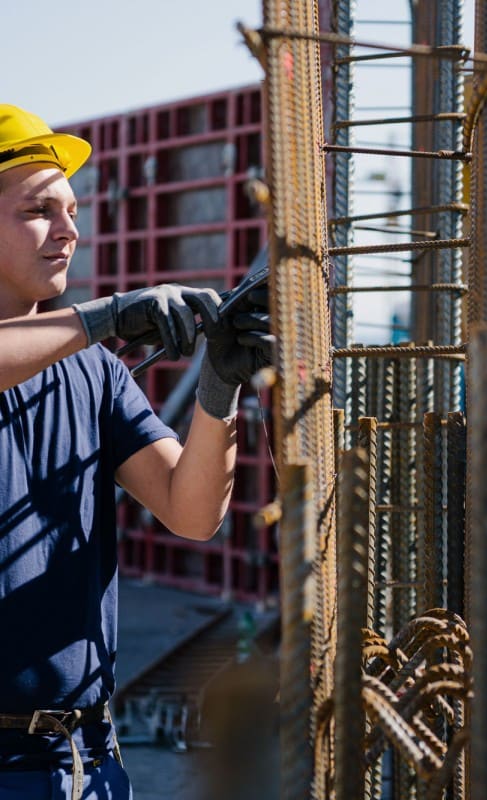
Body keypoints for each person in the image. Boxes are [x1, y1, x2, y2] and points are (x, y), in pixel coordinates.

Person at [0, 104, 273, 800]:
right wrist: (109, 316)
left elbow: (191, 512)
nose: (69, 231)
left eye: (72, 209)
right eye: (39, 210)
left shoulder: (94, 373)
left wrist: (219, 388)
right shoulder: (91, 341)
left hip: (85, 758)